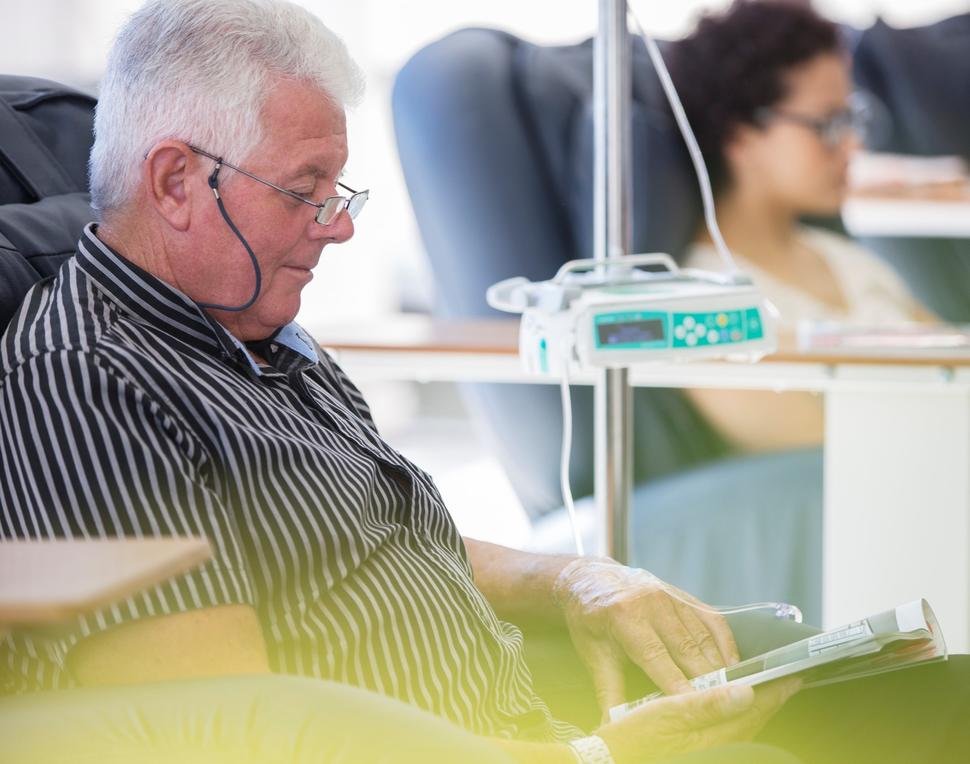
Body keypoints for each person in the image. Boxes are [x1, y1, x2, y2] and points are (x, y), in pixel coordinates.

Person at [0, 2, 967, 763]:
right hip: (521, 747)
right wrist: (583, 755)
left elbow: (386, 532)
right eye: (306, 190)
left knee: (936, 694)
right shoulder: (90, 380)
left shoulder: (263, 335)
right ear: (176, 181)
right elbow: (232, 731)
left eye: (338, 193)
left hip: (540, 710)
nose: (338, 227)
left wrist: (578, 581)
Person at [667, 0, 934, 453]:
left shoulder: (845, 260)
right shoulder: (701, 306)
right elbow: (824, 452)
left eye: (852, 119)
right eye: (828, 123)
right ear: (740, 134)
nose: (851, 144)